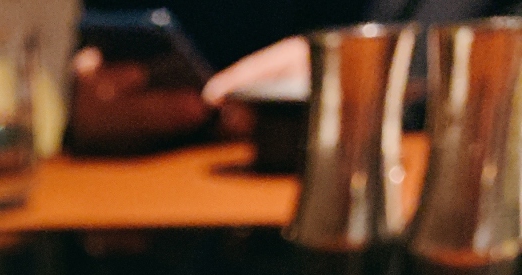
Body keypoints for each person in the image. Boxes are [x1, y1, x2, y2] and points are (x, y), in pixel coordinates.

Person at [69, 0, 522, 153]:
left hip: (409, 204)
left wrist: (365, 65)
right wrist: (92, 96)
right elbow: (114, 36)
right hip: (172, 217)